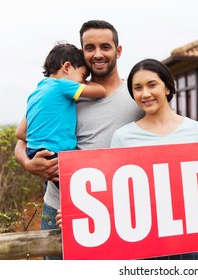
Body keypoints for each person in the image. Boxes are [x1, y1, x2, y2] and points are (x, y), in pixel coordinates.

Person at [14, 20, 144, 260]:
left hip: (119, 212)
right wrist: (27, 163)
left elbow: (166, 138)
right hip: (59, 209)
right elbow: (24, 138)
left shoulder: (136, 96)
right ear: (81, 52)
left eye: (105, 46)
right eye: (89, 47)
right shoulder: (60, 93)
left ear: (118, 50)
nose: (97, 54)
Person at [110, 58, 198, 260]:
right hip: (143, 244)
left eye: (152, 85)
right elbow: (114, 197)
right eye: (138, 88)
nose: (145, 93)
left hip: (191, 242)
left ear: (168, 88)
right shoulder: (122, 137)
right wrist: (77, 217)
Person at [16, 42, 106, 189]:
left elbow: (20, 132)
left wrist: (42, 139)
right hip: (54, 154)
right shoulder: (63, 85)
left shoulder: (37, 92)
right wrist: (87, 83)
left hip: (36, 152)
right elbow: (101, 91)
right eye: (83, 76)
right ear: (67, 67)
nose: (82, 82)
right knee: (77, 193)